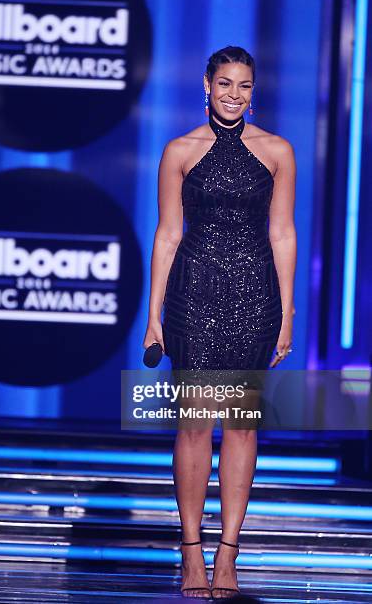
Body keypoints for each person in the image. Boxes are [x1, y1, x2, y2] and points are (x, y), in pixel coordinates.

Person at [143, 45, 296, 599]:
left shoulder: (277, 150)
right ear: (206, 84)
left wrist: (287, 311)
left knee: (241, 424)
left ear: (254, 92)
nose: (235, 94)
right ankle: (191, 553)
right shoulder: (179, 151)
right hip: (193, 295)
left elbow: (282, 233)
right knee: (192, 424)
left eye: (245, 86)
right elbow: (166, 234)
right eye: (226, 83)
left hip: (254, 297)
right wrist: (153, 314)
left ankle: (229, 555)